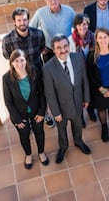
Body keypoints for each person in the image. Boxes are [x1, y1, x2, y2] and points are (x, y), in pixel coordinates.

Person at [2, 7, 55, 128]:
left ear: (28, 20)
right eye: (19, 20)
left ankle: (44, 113)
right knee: (23, 96)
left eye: (25, 20)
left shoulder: (38, 34)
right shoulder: (7, 40)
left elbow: (42, 48)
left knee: (41, 93)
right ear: (14, 22)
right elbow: (7, 56)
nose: (22, 23)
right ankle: (27, 118)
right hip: (19, 74)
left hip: (37, 71)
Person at [42, 35, 91, 164]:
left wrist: (86, 98)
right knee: (62, 130)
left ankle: (79, 141)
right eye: (59, 48)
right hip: (61, 108)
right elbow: (50, 93)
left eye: (65, 46)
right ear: (53, 49)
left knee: (78, 125)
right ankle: (63, 147)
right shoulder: (48, 68)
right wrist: (56, 112)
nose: (63, 50)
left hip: (77, 103)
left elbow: (84, 79)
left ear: (69, 46)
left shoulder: (78, 58)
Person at [3, 49, 48, 169]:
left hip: (36, 110)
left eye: (22, 60)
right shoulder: (6, 78)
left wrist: (41, 111)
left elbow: (42, 93)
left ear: (26, 61)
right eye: (16, 61)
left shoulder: (34, 72)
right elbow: (8, 101)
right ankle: (28, 155)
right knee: (24, 134)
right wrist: (17, 119)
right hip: (19, 114)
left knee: (39, 132)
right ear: (11, 63)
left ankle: (41, 152)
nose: (19, 64)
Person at [86, 28, 109, 142]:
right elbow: (90, 75)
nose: (103, 40)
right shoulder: (92, 55)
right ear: (96, 39)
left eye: (105, 37)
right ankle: (104, 127)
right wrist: (102, 89)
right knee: (101, 109)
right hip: (99, 88)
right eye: (100, 37)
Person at [68, 13, 97, 126]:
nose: (82, 27)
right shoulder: (70, 40)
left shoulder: (93, 37)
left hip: (90, 70)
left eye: (85, 24)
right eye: (79, 25)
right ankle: (80, 116)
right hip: (77, 73)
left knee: (91, 92)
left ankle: (91, 111)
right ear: (75, 26)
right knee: (79, 95)